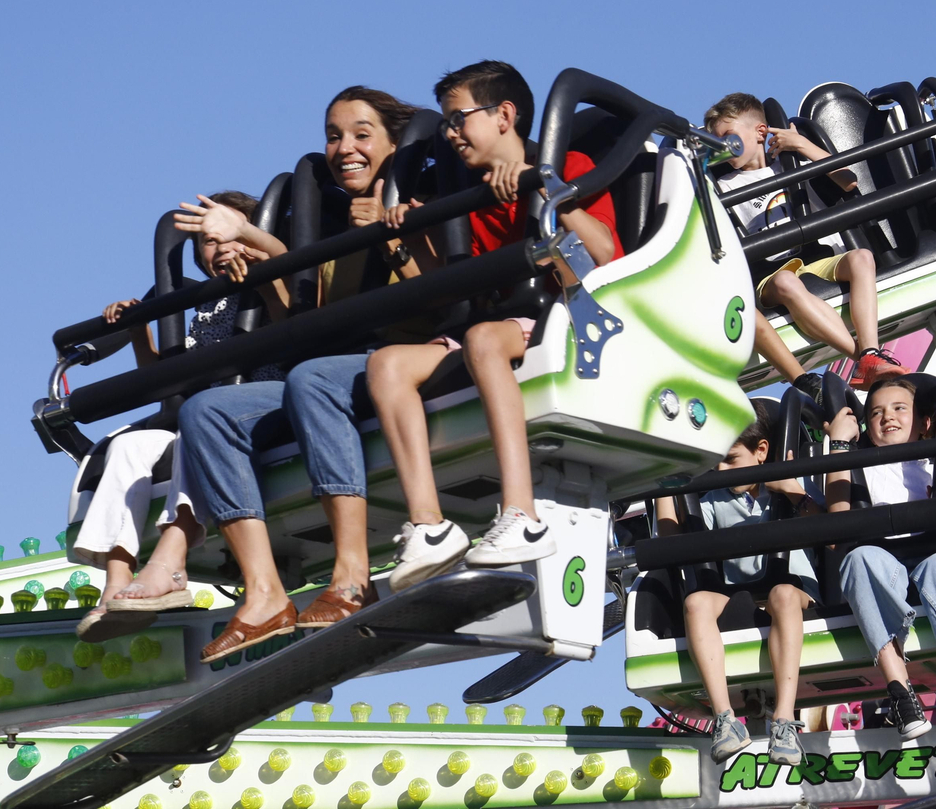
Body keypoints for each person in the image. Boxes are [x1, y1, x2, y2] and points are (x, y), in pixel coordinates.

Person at [163, 86, 428, 663]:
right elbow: (306, 320)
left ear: (394, 142)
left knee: (312, 378)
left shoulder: (423, 199)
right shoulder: (332, 224)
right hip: (336, 367)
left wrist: (391, 235)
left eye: (362, 134)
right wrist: (258, 260)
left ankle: (351, 575)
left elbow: (440, 301)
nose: (345, 148)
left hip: (406, 361)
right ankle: (264, 595)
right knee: (204, 412)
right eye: (334, 136)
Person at [367, 60, 623, 590]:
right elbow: (456, 285)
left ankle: (521, 515)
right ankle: (429, 525)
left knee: (484, 339)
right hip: (494, 322)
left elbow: (602, 257)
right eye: (446, 124)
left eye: (459, 119)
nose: (451, 134)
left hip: (567, 317)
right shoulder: (472, 195)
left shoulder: (565, 163)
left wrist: (543, 189)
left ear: (504, 114)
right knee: (386, 364)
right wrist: (408, 239)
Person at [72, 190, 282, 641]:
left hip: (258, 406)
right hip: (200, 412)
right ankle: (116, 582)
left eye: (224, 234)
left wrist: (261, 270)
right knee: (127, 445)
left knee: (201, 421)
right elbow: (164, 376)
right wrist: (137, 328)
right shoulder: (206, 304)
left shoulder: (270, 275)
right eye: (205, 242)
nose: (218, 247)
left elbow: (292, 314)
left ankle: (172, 565)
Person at [654, 402, 825, 767]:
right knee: (697, 602)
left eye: (731, 460)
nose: (720, 470)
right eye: (716, 462)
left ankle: (784, 720)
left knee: (781, 594)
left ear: (761, 451)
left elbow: (830, 533)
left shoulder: (791, 482)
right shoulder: (717, 498)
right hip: (743, 596)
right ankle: (726, 720)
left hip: (794, 593)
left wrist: (793, 490)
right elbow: (673, 541)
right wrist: (663, 487)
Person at [827, 375, 936, 744]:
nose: (888, 416)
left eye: (900, 408)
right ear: (866, 426)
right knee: (859, 558)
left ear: (924, 422)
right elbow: (839, 520)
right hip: (884, 572)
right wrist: (839, 445)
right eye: (876, 412)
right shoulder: (860, 466)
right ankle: (901, 693)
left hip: (933, 570)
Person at [703, 93, 905, 392]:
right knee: (787, 282)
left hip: (816, 256)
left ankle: (871, 351)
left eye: (728, 137)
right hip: (773, 273)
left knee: (862, 257)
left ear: (760, 132)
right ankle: (862, 357)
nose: (723, 147)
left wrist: (801, 145)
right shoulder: (721, 186)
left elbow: (849, 181)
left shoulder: (792, 161)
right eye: (715, 142)